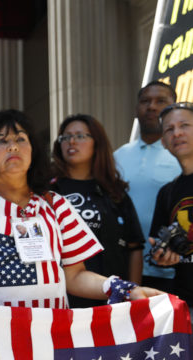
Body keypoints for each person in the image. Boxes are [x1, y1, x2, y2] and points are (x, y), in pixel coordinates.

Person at [0, 109, 162, 309]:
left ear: (32, 152)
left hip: (50, 336)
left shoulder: (55, 203)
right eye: (1, 141)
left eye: (20, 139)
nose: (13, 147)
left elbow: (75, 275)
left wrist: (124, 289)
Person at [51, 114, 145, 308]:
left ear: (97, 143)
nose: (72, 141)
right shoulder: (47, 192)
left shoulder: (115, 193)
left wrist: (132, 293)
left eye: (80, 136)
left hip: (111, 298)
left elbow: (134, 247)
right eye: (65, 137)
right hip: (62, 299)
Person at [114, 82, 180, 292]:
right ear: (136, 109)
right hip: (124, 268)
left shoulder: (183, 156)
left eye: (160, 101)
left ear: (173, 108)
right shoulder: (117, 157)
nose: (151, 107)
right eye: (145, 101)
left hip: (174, 270)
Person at [149, 102, 193, 307]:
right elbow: (157, 246)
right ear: (164, 142)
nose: (177, 133)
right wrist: (162, 255)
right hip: (187, 300)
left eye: (184, 125)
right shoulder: (167, 193)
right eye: (169, 129)